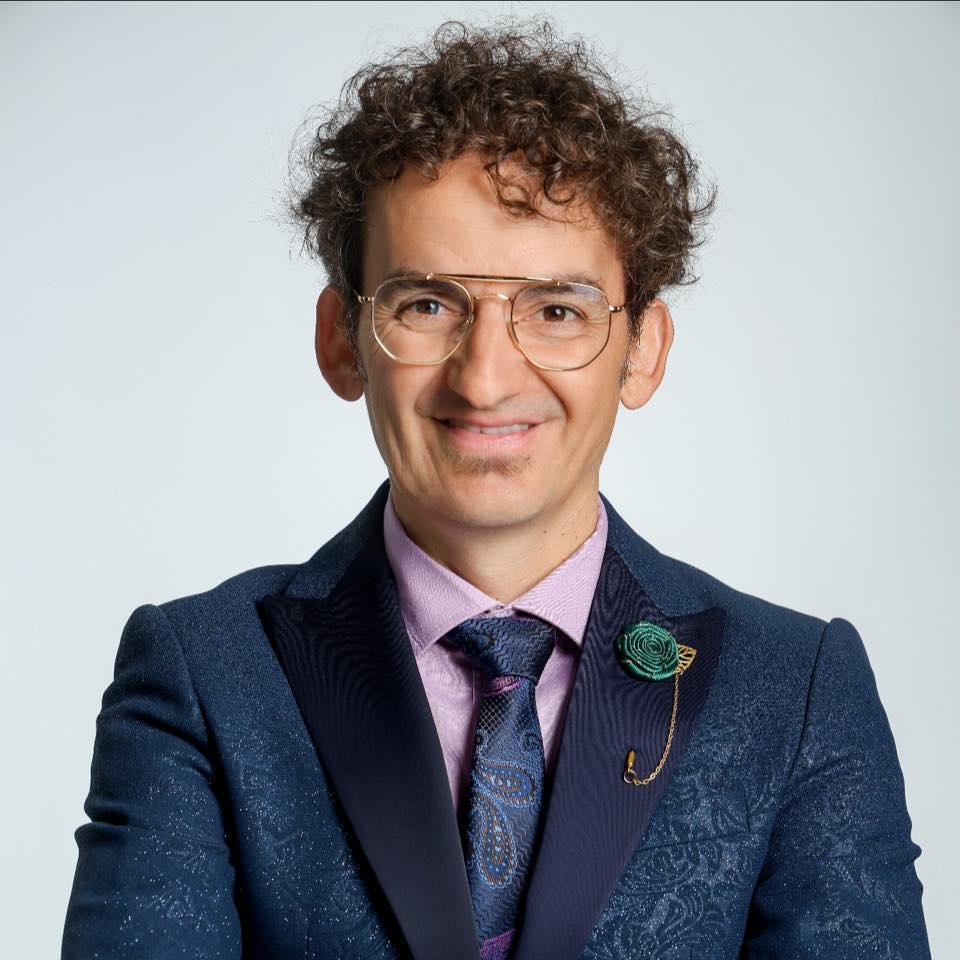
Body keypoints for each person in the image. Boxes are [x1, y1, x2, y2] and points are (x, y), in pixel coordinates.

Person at [61, 19, 930, 960]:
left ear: (643, 351)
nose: (484, 379)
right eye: (428, 304)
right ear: (341, 339)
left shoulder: (796, 691)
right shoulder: (202, 677)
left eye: (556, 310)